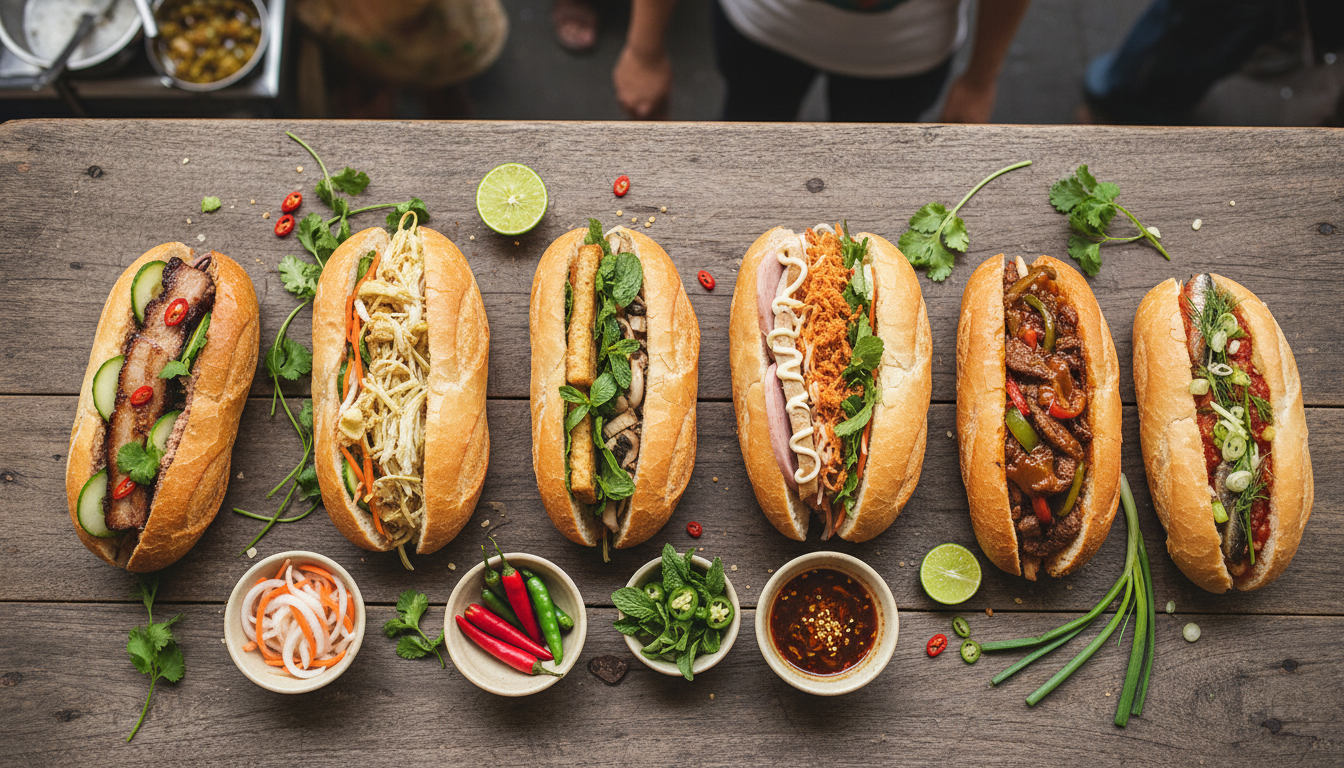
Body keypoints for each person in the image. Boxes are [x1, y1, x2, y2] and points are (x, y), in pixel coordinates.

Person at [614, 0, 1031, 122]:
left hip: (906, 53)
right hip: (764, 25)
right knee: (754, 132)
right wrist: (643, 48)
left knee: (866, 187)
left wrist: (980, 80)